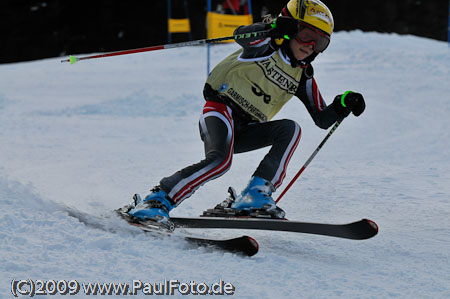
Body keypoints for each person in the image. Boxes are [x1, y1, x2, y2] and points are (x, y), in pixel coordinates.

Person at [125, 0, 365, 225]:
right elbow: (242, 35)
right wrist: (273, 27)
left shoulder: (302, 75)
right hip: (221, 110)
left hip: (249, 128)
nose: (310, 46)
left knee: (291, 129)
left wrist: (343, 103)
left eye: (320, 43)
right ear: (290, 28)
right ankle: (156, 200)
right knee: (220, 161)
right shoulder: (265, 44)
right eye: (306, 36)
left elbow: (322, 118)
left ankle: (255, 195)